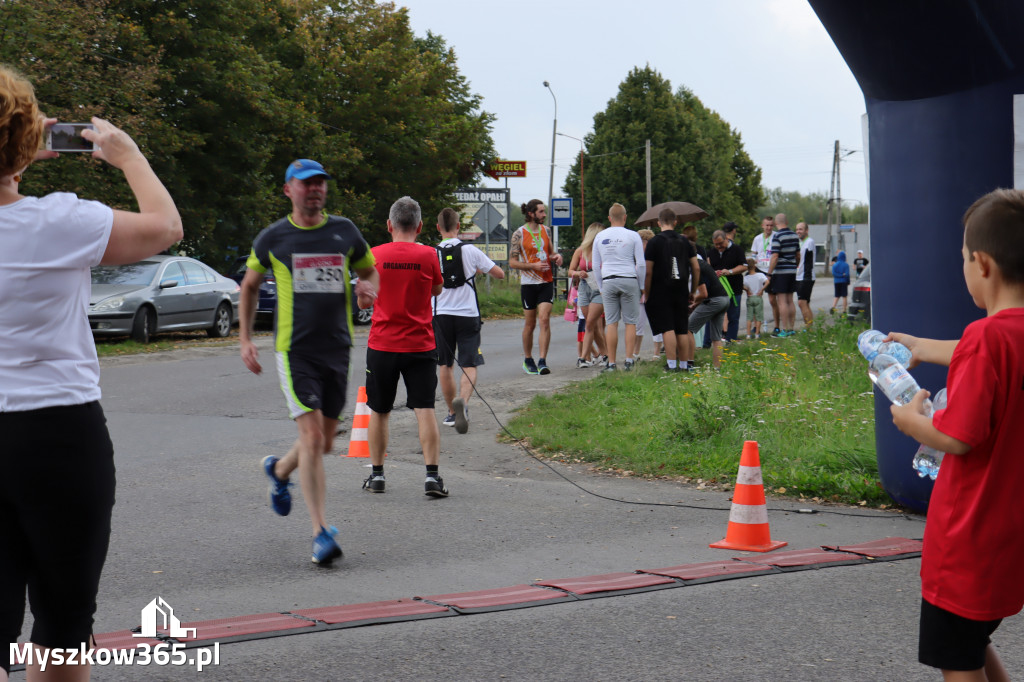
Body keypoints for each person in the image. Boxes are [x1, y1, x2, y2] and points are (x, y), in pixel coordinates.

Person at [1, 65, 183, 682]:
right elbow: (164, 228)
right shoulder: (61, 222)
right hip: (58, 433)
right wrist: (128, 157)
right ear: (24, 144)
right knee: (63, 621)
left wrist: (15, 159)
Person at [889, 188, 1024, 682]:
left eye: (964, 258)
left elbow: (961, 437)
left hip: (967, 538)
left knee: (958, 658)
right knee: (972, 640)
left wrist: (911, 421)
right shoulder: (998, 338)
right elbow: (987, 351)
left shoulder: (984, 338)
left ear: (982, 264)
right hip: (1011, 535)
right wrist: (924, 346)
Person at [240, 158, 378, 566]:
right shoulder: (274, 238)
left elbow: (369, 269)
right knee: (314, 440)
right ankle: (320, 533)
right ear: (288, 190)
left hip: (338, 347)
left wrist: (368, 289)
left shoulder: (345, 231)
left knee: (326, 441)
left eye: (320, 184)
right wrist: (246, 338)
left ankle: (280, 471)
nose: (315, 190)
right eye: (305, 184)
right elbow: (248, 286)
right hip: (295, 350)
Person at [362, 197, 446, 497]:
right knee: (425, 410)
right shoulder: (428, 255)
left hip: (382, 344)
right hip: (420, 345)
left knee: (379, 410)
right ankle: (432, 477)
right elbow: (437, 288)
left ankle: (377, 476)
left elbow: (365, 298)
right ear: (420, 226)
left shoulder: (374, 255)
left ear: (389, 225)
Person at [433, 207, 504, 434]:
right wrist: (479, 270)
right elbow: (499, 274)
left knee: (445, 364)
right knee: (469, 363)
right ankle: (463, 402)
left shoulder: (431, 253)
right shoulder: (471, 250)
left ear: (438, 228)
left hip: (441, 314)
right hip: (468, 314)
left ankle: (451, 413)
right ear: (458, 227)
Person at [509, 199, 562, 375]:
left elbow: (551, 252)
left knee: (544, 320)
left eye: (544, 211)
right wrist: (533, 266)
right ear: (531, 213)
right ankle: (528, 358)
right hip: (529, 284)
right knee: (530, 324)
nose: (544, 215)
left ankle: (542, 361)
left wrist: (556, 257)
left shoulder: (546, 231)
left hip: (546, 282)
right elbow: (512, 263)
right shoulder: (519, 234)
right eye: (541, 212)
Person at [643, 207, 700, 371]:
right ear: (675, 222)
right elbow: (696, 268)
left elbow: (648, 271)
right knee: (682, 328)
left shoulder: (654, 242)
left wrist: (647, 293)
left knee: (668, 328)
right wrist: (693, 291)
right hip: (681, 288)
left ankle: (671, 364)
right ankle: (684, 365)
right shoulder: (685, 242)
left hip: (660, 289)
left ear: (659, 222)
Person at [592, 203, 646, 372]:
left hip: (608, 280)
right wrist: (642, 285)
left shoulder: (600, 237)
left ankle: (612, 363)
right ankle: (629, 360)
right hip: (629, 279)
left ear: (609, 219)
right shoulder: (633, 236)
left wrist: (601, 286)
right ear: (625, 217)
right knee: (630, 322)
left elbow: (595, 266)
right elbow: (641, 264)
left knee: (611, 323)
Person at [567, 222, 608, 368]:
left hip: (599, 288)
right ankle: (605, 354)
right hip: (584, 287)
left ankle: (583, 358)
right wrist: (579, 273)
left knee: (590, 323)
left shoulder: (604, 250)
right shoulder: (581, 251)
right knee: (593, 326)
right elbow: (570, 271)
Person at [687, 257, 730, 369]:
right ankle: (717, 368)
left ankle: (689, 364)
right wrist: (695, 305)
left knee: (687, 329)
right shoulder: (703, 263)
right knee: (716, 338)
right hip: (724, 298)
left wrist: (692, 301)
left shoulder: (695, 267)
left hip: (714, 301)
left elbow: (704, 294)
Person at [708, 225, 747, 342]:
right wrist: (713, 272)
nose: (719, 247)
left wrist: (730, 272)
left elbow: (744, 266)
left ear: (726, 239)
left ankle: (731, 340)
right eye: (716, 244)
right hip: (718, 290)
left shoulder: (737, 250)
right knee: (715, 316)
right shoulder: (712, 252)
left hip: (734, 289)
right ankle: (714, 340)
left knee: (733, 316)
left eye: (720, 243)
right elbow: (708, 267)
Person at [767, 213, 800, 336]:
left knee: (782, 302)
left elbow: (775, 256)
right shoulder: (794, 235)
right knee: (790, 300)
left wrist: (769, 273)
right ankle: (791, 329)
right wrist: (795, 265)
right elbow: (798, 255)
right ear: (786, 222)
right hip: (792, 271)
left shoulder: (777, 236)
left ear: (776, 224)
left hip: (781, 271)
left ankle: (784, 329)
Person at [750, 216, 779, 333]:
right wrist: (752, 262)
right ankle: (756, 327)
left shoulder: (776, 236)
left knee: (772, 300)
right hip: (759, 270)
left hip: (772, 271)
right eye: (767, 225)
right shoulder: (757, 238)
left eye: (771, 225)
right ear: (762, 226)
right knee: (756, 299)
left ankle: (777, 326)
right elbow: (753, 254)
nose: (769, 227)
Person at [634, 228, 657, 359]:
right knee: (638, 325)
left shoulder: (653, 258)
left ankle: (656, 352)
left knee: (656, 324)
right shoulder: (636, 259)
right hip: (639, 296)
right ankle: (635, 352)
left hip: (652, 294)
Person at [795, 221, 816, 328]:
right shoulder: (798, 243)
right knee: (805, 303)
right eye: (797, 229)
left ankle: (808, 328)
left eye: (801, 229)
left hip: (806, 276)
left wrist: (806, 276)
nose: (798, 231)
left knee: (801, 302)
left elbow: (808, 261)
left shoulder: (809, 242)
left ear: (806, 230)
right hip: (798, 276)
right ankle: (810, 327)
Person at [743, 258, 769, 339]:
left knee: (749, 317)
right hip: (758, 297)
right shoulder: (760, 275)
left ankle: (748, 334)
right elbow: (767, 282)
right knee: (758, 317)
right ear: (755, 266)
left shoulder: (746, 278)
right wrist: (762, 289)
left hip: (750, 297)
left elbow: (741, 285)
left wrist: (746, 289)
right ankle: (757, 334)